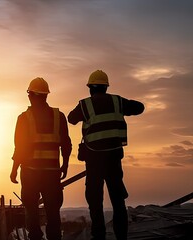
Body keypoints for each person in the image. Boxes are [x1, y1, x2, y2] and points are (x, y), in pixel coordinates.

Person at [68, 70, 144, 240]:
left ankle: (99, 237)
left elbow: (71, 118)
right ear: (106, 87)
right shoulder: (117, 101)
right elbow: (140, 107)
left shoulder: (85, 105)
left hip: (94, 161)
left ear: (90, 88)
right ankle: (121, 236)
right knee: (118, 202)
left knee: (95, 203)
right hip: (114, 160)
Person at [10, 77, 72, 240]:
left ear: (30, 94)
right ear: (46, 95)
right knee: (53, 214)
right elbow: (66, 144)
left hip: (30, 174)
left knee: (32, 213)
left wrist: (14, 170)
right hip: (52, 174)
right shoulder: (59, 117)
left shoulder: (23, 118)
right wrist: (65, 165)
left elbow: (20, 148)